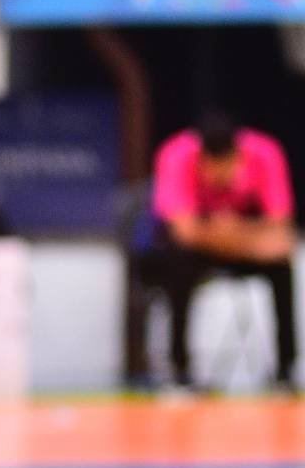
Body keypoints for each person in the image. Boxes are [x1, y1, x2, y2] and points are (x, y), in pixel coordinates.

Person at [126, 112, 297, 393]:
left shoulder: (265, 153)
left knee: (281, 267)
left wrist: (231, 232)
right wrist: (243, 236)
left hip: (241, 248)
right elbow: (184, 232)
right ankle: (179, 371)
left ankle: (285, 372)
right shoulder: (177, 154)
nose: (220, 176)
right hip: (197, 252)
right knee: (177, 264)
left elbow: (281, 236)